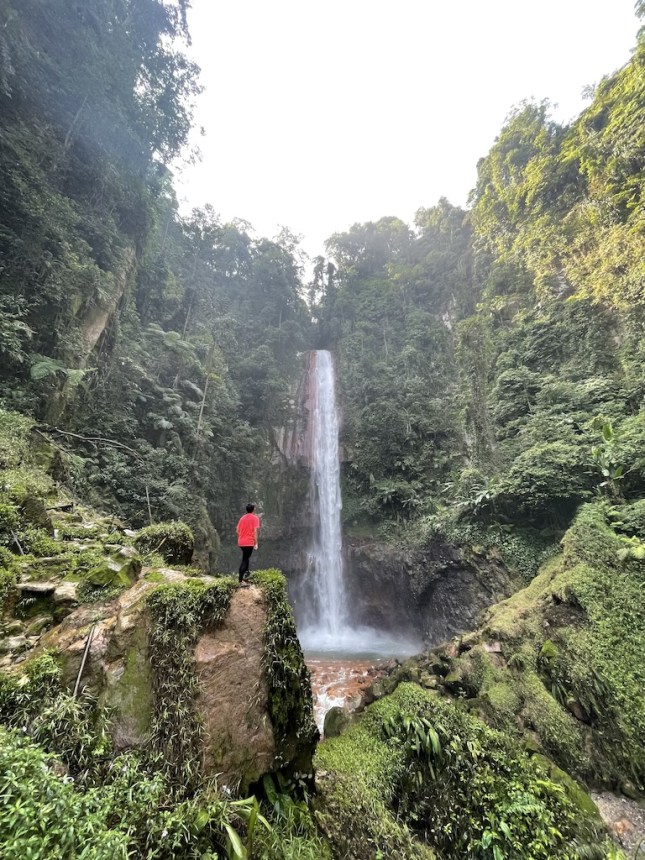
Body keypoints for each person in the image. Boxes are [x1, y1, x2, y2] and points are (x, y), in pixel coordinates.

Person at [236, 503, 260, 585]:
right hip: (249, 542)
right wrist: (256, 543)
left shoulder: (242, 518)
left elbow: (237, 531)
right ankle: (240, 580)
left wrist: (242, 536)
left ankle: (246, 574)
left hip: (241, 542)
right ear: (253, 509)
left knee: (246, 557)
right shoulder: (255, 518)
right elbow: (255, 532)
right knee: (245, 560)